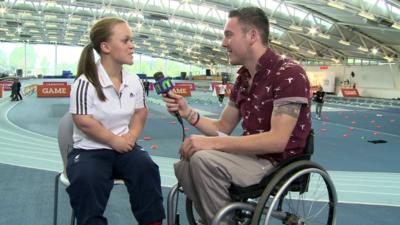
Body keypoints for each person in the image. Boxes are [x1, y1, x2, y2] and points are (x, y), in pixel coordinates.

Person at [162, 6, 311, 225]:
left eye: (228, 35)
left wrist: (211, 144)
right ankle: (218, 218)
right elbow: (222, 127)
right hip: (250, 157)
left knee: (203, 158)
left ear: (252, 36)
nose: (223, 43)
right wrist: (188, 113)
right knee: (185, 163)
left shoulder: (289, 73)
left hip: (276, 162)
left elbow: (277, 140)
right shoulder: (242, 79)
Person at [67, 17, 165, 225]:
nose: (132, 46)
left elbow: (140, 112)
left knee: (146, 168)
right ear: (106, 47)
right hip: (89, 151)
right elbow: (83, 120)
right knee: (86, 181)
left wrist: (131, 137)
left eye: (131, 40)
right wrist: (114, 141)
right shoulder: (85, 82)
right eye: (126, 40)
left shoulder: (134, 81)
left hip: (124, 148)